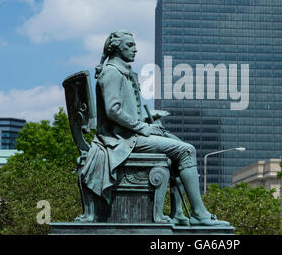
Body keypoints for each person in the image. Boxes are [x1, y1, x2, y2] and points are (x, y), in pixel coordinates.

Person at [80, 30, 229, 226]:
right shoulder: (112, 73)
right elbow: (113, 111)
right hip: (120, 141)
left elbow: (122, 112)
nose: (135, 49)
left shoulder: (120, 71)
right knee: (187, 150)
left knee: (177, 143)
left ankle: (179, 214)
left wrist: (148, 119)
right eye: (130, 45)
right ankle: (199, 212)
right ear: (116, 49)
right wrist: (143, 127)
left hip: (128, 135)